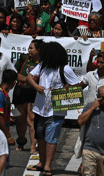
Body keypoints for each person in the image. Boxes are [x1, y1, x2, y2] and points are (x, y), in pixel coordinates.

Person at [30, 40, 82, 175]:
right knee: (40, 135)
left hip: (56, 110)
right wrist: (35, 86)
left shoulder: (65, 68)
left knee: (51, 138)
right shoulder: (42, 66)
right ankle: (41, 162)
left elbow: (76, 86)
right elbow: (29, 77)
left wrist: (66, 89)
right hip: (40, 108)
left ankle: (48, 166)